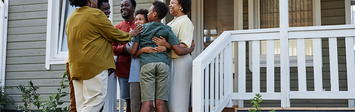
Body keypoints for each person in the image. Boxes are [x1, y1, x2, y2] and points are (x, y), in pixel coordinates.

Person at [66, 0, 139, 111]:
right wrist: (130, 34)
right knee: (95, 101)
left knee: (81, 105)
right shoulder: (95, 13)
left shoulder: (71, 17)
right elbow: (113, 33)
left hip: (75, 67)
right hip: (94, 66)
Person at [129, 1, 194, 112]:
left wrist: (129, 43)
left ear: (154, 14)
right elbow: (178, 49)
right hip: (163, 64)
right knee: (160, 103)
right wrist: (191, 49)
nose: (147, 14)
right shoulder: (167, 28)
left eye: (149, 12)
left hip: (147, 64)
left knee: (147, 103)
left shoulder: (141, 29)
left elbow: (133, 52)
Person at [152, 0, 194, 111]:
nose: (169, 5)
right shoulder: (172, 22)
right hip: (169, 61)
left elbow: (184, 45)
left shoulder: (185, 21)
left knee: (178, 99)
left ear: (181, 5)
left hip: (180, 62)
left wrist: (166, 45)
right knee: (169, 99)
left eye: (172, 3)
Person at [112, 0, 139, 112]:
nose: (123, 7)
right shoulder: (116, 28)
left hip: (139, 69)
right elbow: (112, 48)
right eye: (121, 6)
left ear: (133, 8)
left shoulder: (139, 25)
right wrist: (124, 48)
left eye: (127, 5)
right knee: (128, 101)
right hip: (123, 70)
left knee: (140, 99)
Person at [125, 9, 150, 112]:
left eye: (141, 19)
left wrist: (126, 43)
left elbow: (133, 53)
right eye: (136, 19)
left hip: (148, 75)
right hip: (134, 75)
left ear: (147, 22)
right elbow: (133, 53)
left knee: (147, 104)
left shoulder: (149, 34)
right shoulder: (134, 36)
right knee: (135, 105)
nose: (138, 22)